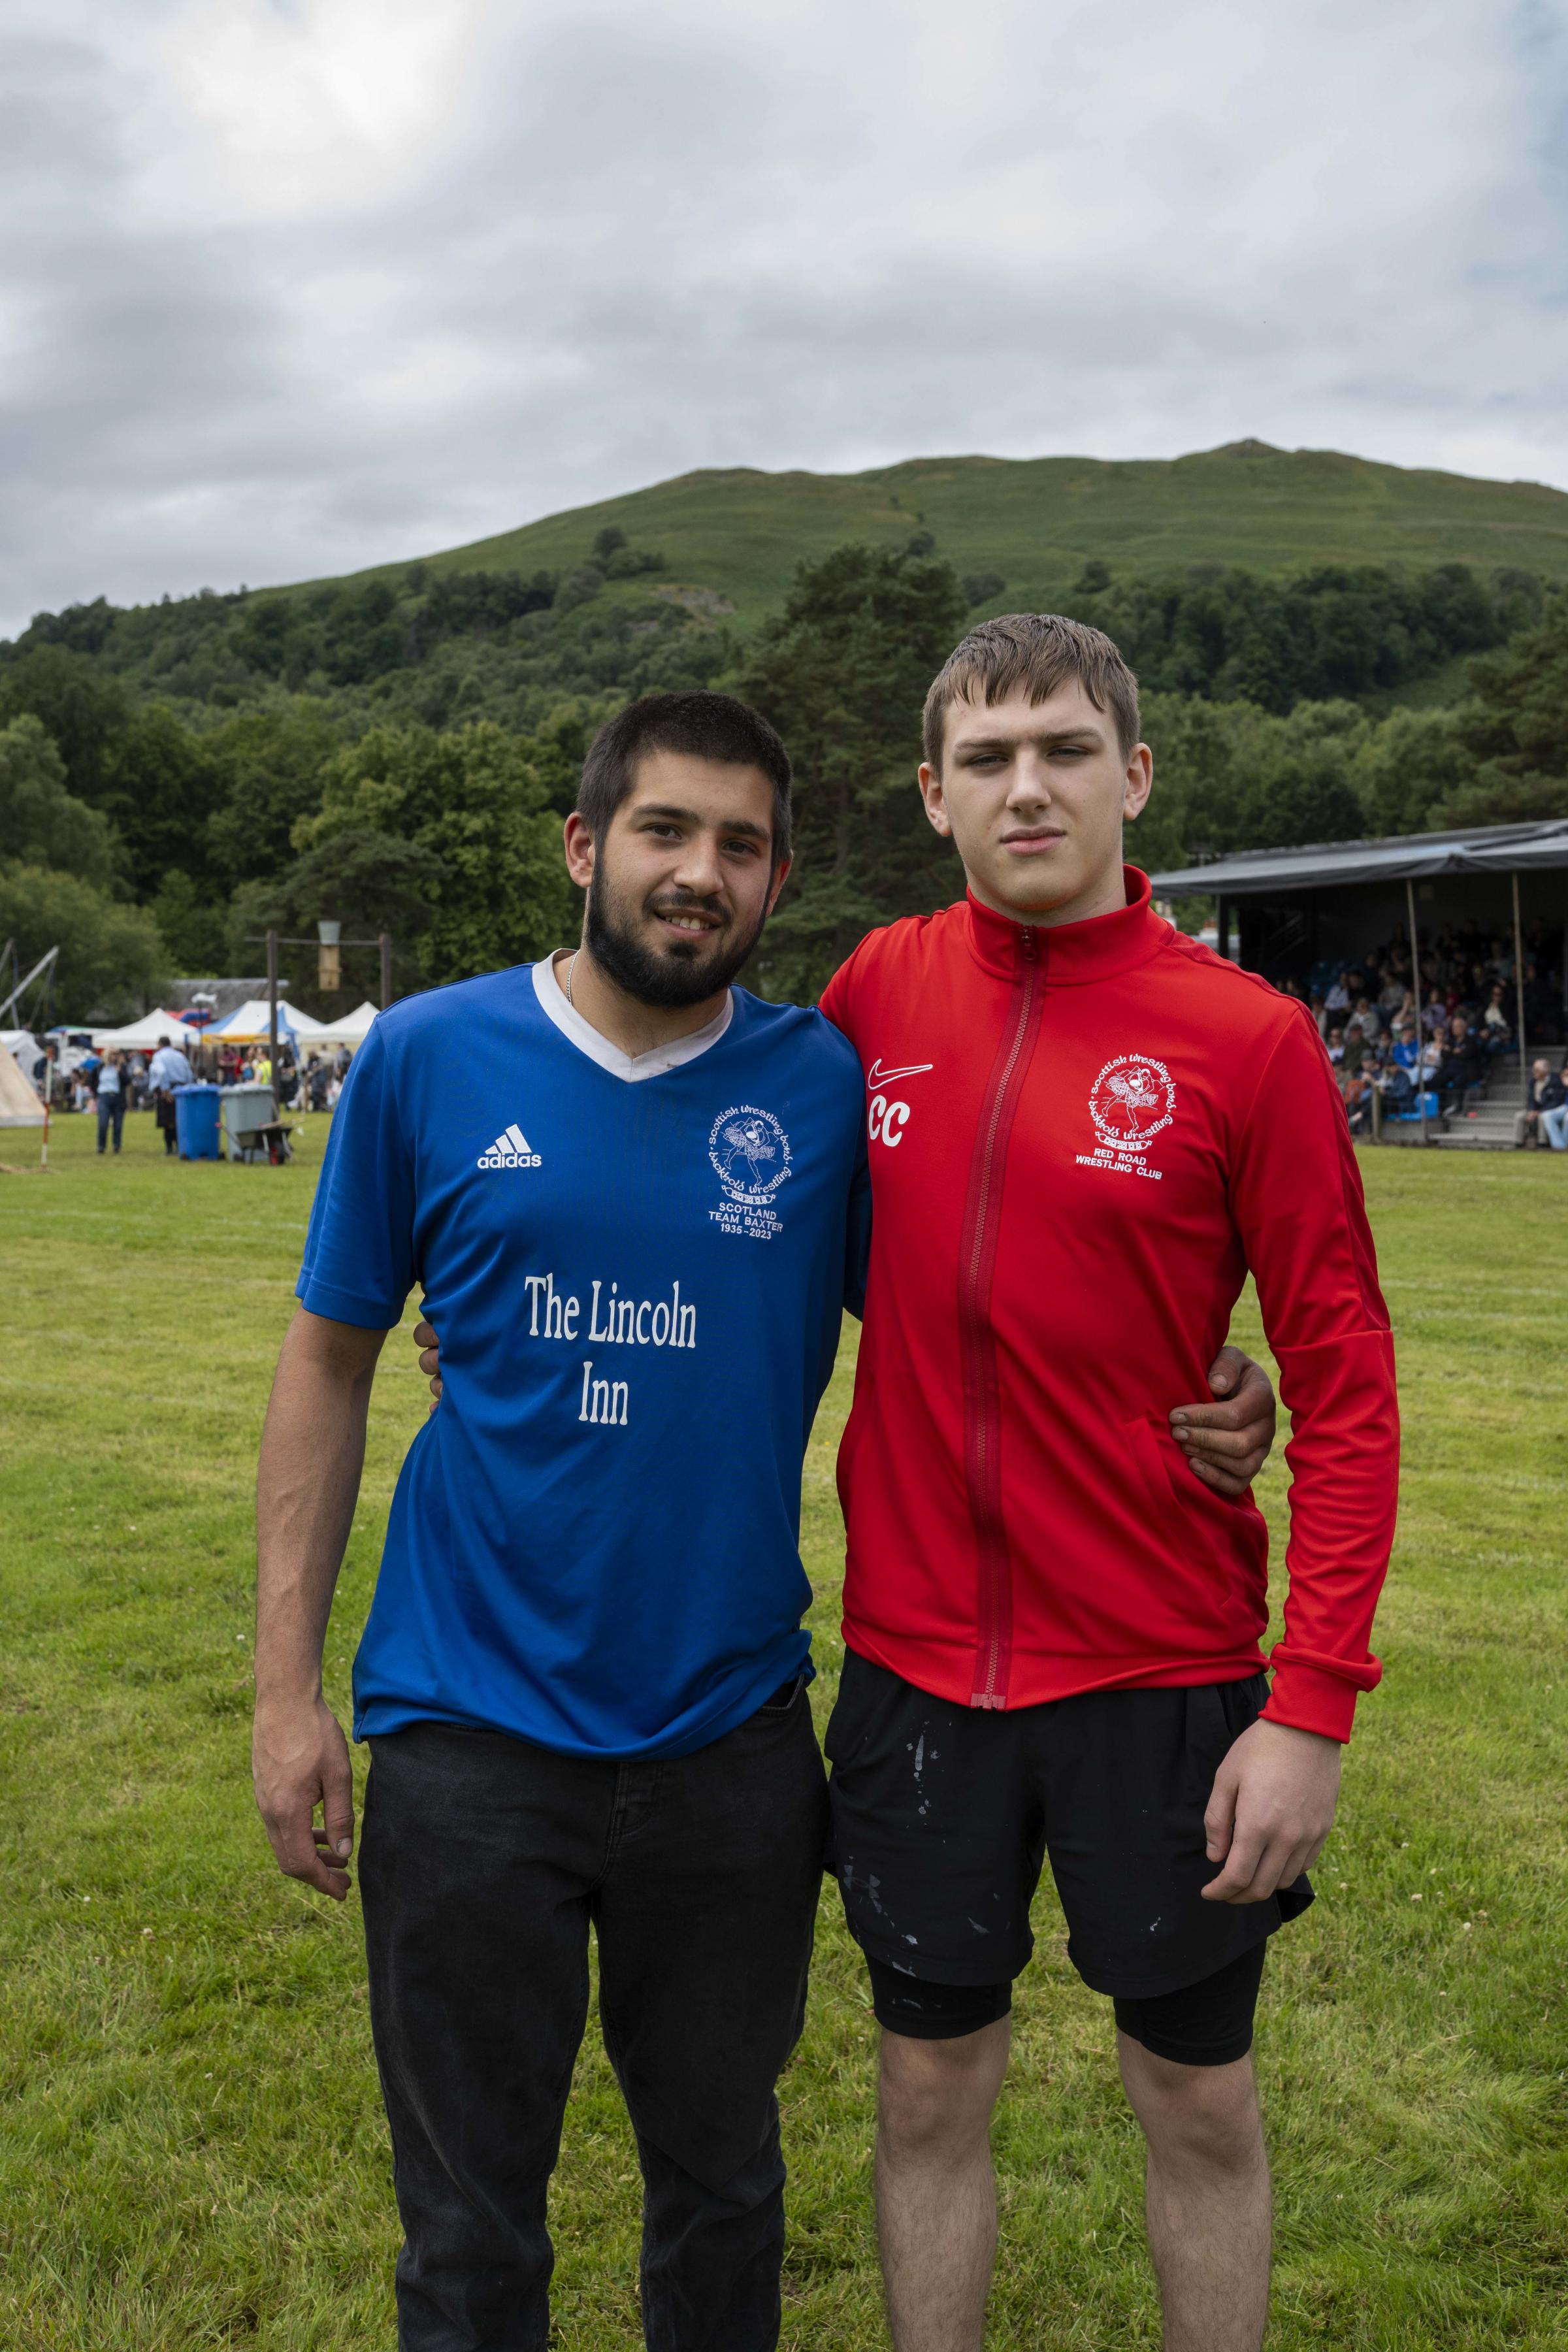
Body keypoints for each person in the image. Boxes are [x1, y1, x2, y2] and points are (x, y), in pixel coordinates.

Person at [255, 689, 1275, 2352]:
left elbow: (1008, 1241)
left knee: (722, 2190)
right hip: (459, 1734)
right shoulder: (429, 1057)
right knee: (462, 2229)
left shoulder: (826, 1074)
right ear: (585, 846)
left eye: (737, 846)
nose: (695, 874)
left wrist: (1201, 1370)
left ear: (777, 878)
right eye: (663, 830)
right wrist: (284, 1694)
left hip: (730, 1743)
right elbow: (327, 1359)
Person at [815, 615, 1397, 2352]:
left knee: (1196, 2101)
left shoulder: (1249, 1039)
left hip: (1165, 1671)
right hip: (919, 1666)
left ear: (1133, 775)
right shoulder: (873, 995)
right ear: (936, 796)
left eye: (1066, 749)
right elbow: (773, 1236)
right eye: (987, 759)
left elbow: (1349, 1381)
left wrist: (1314, 1707)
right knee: (927, 2091)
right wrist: (501, 1320)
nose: (1030, 785)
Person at [148, 1032, 193, 1158]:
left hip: (167, 1088)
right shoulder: (180, 1056)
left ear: (160, 1045)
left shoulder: (159, 1056)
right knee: (180, 1118)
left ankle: (169, 1148)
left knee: (168, 1120)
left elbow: (161, 1072)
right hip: (182, 1088)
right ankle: (180, 1146)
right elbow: (189, 1074)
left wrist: (165, 1089)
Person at [1516, 1058, 1566, 1147]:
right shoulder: (1533, 1082)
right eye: (1534, 1069)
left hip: (1548, 1109)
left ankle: (1542, 1143)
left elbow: (1556, 1101)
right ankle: (1518, 1143)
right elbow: (1530, 1099)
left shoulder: (1556, 1080)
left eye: (1537, 1070)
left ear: (1545, 1071)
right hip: (1534, 1109)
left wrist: (1539, 1111)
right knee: (1519, 1116)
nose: (1534, 1072)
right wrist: (1532, 1110)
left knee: (1543, 1116)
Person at [95, 1050, 127, 1154]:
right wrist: (95, 1095)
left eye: (117, 1055)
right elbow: (93, 1080)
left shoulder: (121, 1067)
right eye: (113, 1055)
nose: (115, 1057)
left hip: (118, 1098)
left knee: (118, 1125)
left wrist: (120, 1072)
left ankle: (116, 1145)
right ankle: (101, 1146)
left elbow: (128, 1081)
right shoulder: (100, 1067)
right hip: (104, 1096)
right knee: (103, 1123)